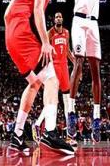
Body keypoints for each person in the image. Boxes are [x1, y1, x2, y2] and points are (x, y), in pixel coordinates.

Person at [4, 0, 74, 156]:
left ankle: (17, 134)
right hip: (23, 32)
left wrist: (13, 35)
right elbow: (37, 10)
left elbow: (6, 14)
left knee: (34, 83)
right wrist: (44, 41)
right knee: (52, 78)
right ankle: (50, 132)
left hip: (10, 34)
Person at [67, 0, 107, 143]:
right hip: (78, 21)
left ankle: (97, 118)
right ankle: (71, 113)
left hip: (93, 24)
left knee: (95, 71)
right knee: (78, 62)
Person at [32, 12, 75, 144]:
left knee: (67, 101)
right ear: (53, 20)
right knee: (53, 102)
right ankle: (38, 124)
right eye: (56, 17)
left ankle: (69, 136)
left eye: (60, 16)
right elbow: (44, 51)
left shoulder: (67, 32)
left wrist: (75, 63)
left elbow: (67, 50)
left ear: (63, 19)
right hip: (54, 68)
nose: (58, 18)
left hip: (64, 68)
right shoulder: (49, 33)